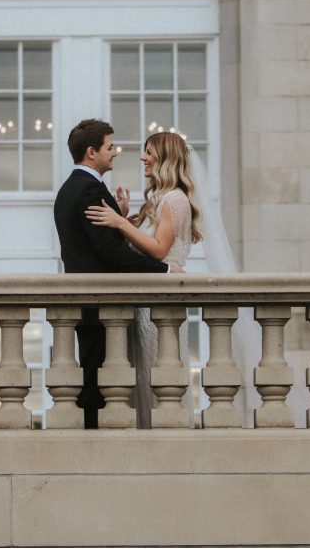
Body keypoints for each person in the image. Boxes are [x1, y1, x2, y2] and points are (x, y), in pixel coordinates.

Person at [86, 131, 259, 428]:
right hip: (145, 302)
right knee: (142, 377)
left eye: (150, 152)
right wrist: (126, 218)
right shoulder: (159, 198)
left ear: (167, 158)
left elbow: (159, 250)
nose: (143, 158)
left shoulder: (176, 199)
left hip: (159, 304)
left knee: (158, 377)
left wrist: (117, 224)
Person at [53, 119, 179, 429]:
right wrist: (163, 270)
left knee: (94, 376)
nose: (116, 152)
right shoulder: (90, 189)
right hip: (99, 304)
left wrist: (121, 219)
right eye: (111, 147)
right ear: (92, 152)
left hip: (87, 302)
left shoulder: (70, 188)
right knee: (98, 381)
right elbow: (110, 253)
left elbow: (93, 243)